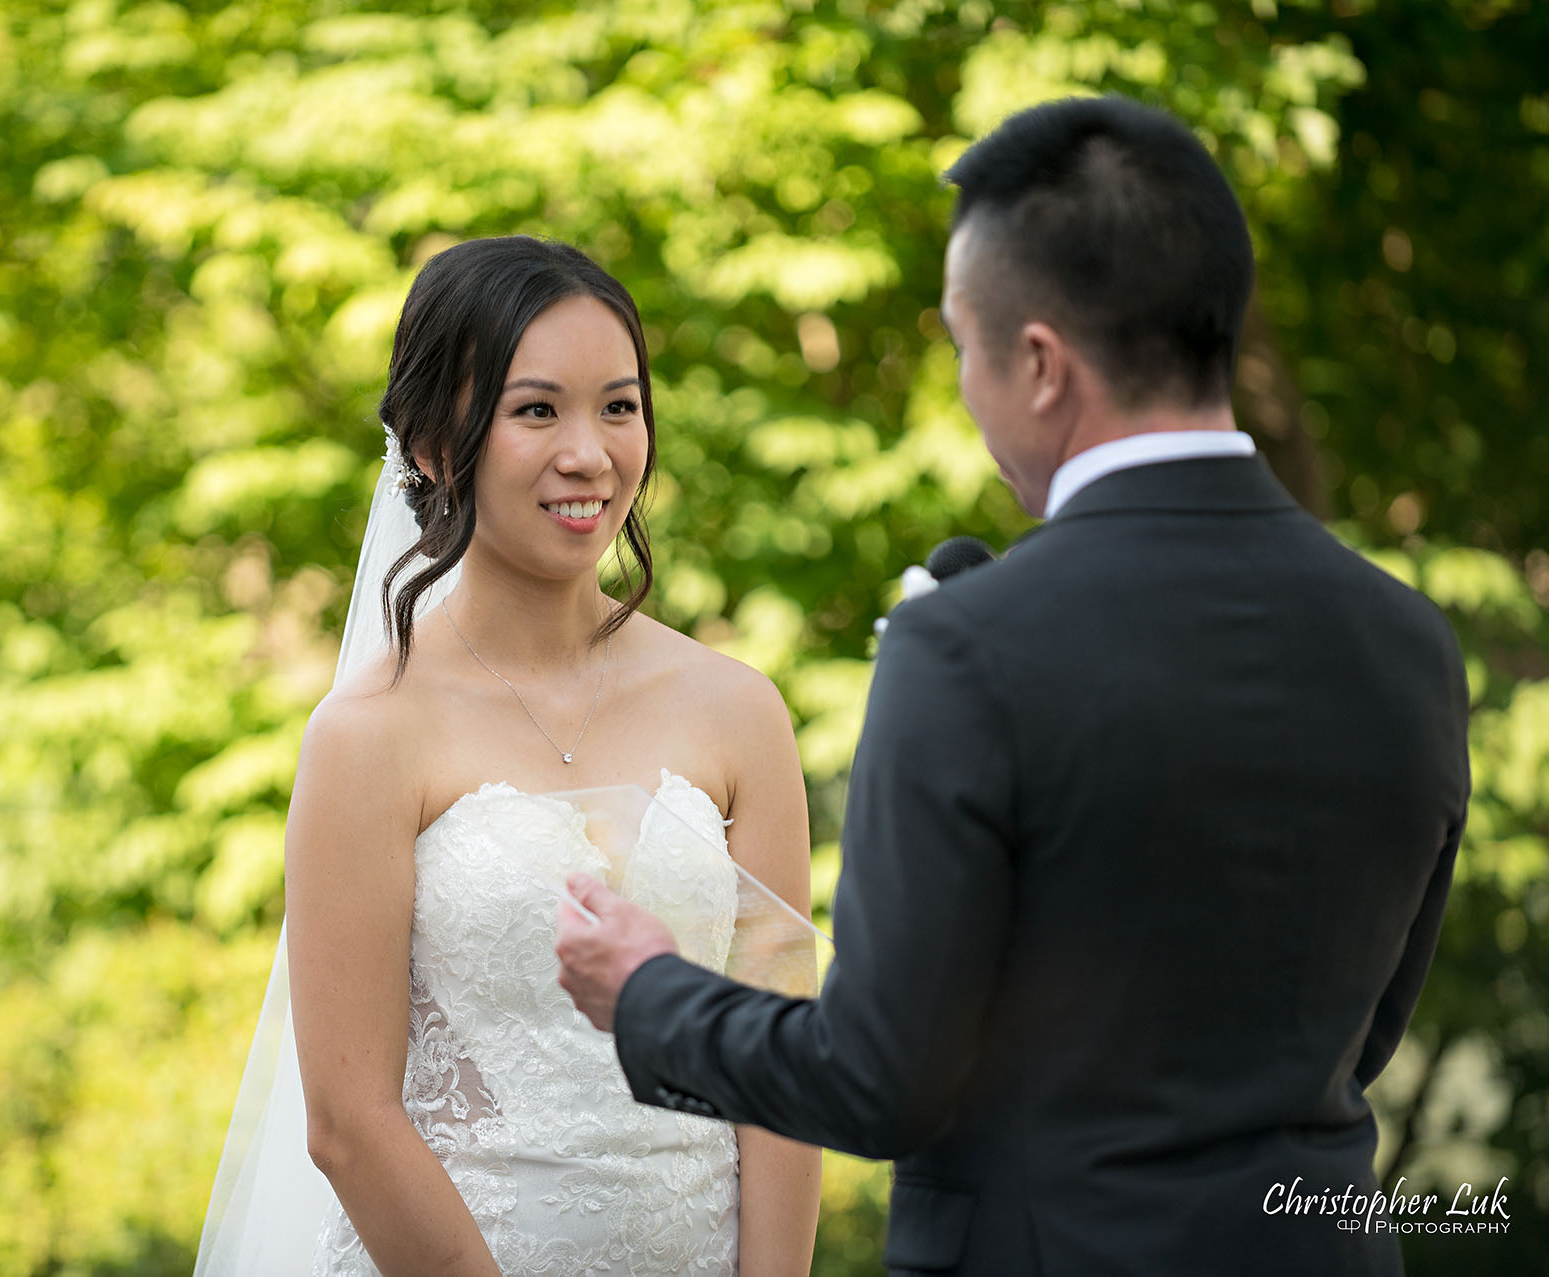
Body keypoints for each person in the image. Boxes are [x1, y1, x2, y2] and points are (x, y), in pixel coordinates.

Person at [556, 96, 1471, 1277]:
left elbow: (878, 1081)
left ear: (1038, 363)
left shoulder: (968, 647)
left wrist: (648, 992)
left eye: (961, 347)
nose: (968, 390)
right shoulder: (1409, 640)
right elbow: (1364, 1034)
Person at [195, 235, 820, 1276]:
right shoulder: (369, 735)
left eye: (619, 407)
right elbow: (349, 1120)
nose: (591, 453)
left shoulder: (737, 709)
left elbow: (781, 1065)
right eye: (539, 410)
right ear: (438, 444)